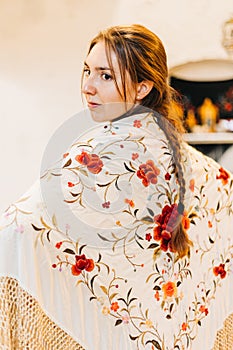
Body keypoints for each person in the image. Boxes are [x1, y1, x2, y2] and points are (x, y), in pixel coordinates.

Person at [0, 24, 233, 350]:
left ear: (142, 87)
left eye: (105, 76)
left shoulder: (96, 155)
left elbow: (15, 228)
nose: (88, 87)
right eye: (87, 71)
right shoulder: (181, 150)